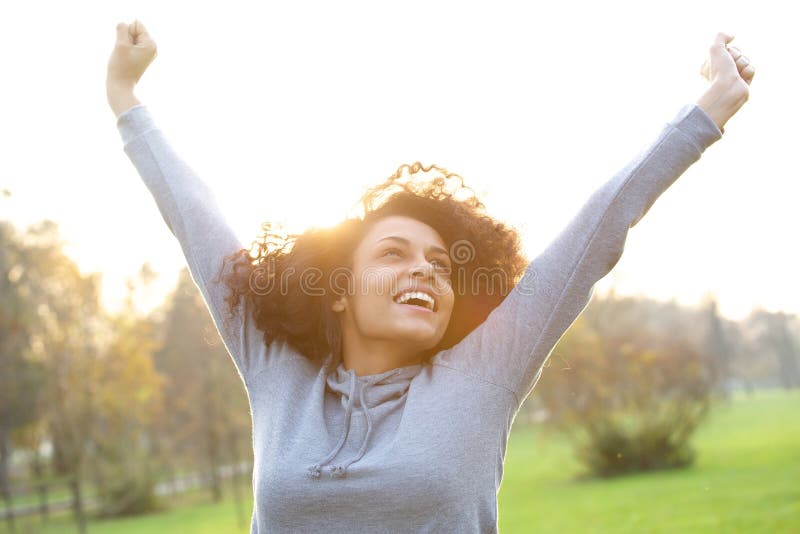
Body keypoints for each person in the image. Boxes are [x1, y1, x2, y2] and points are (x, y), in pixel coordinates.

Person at [106, 19, 754, 533]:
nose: (423, 268)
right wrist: (126, 98)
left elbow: (597, 229)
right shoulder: (280, 376)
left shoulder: (480, 378)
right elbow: (197, 222)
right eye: (393, 253)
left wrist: (709, 109)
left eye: (440, 265)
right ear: (338, 290)